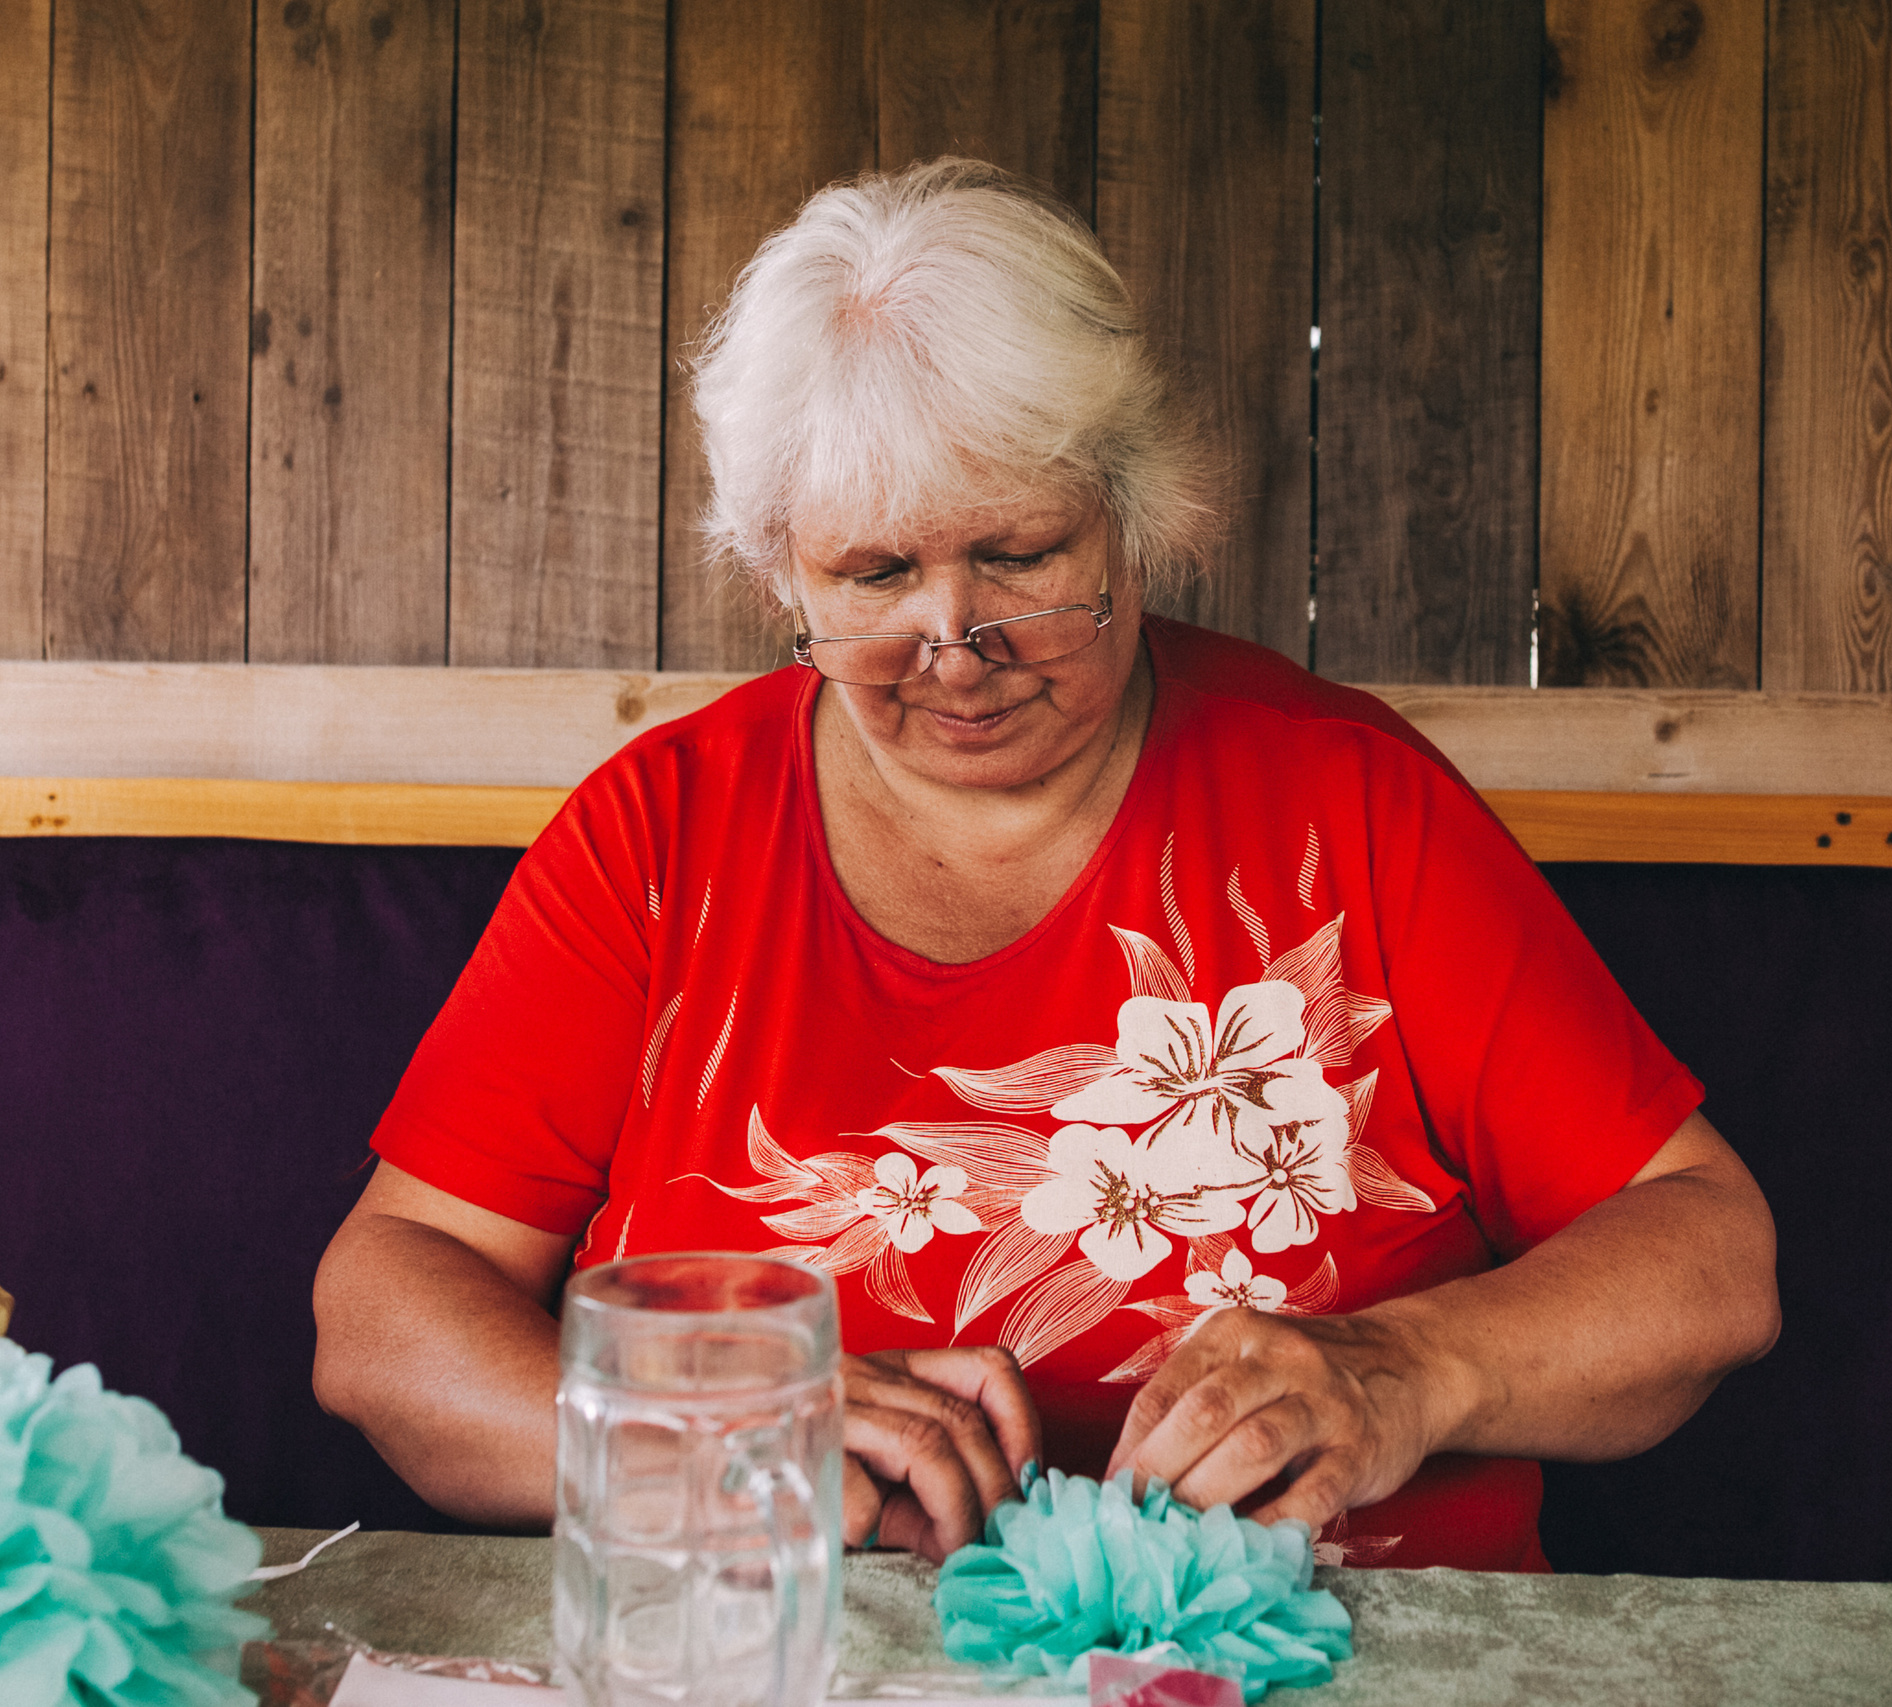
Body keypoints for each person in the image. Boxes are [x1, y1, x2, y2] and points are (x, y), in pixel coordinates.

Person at [313, 158, 1780, 1573]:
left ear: (1133, 522)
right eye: (875, 577)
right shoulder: (662, 834)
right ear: (781, 570)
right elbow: (385, 1313)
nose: (955, 645)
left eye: (1017, 555)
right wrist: (709, 1449)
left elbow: (1708, 1258)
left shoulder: (1349, 807)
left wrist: (1407, 1367)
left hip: (1324, 1663)